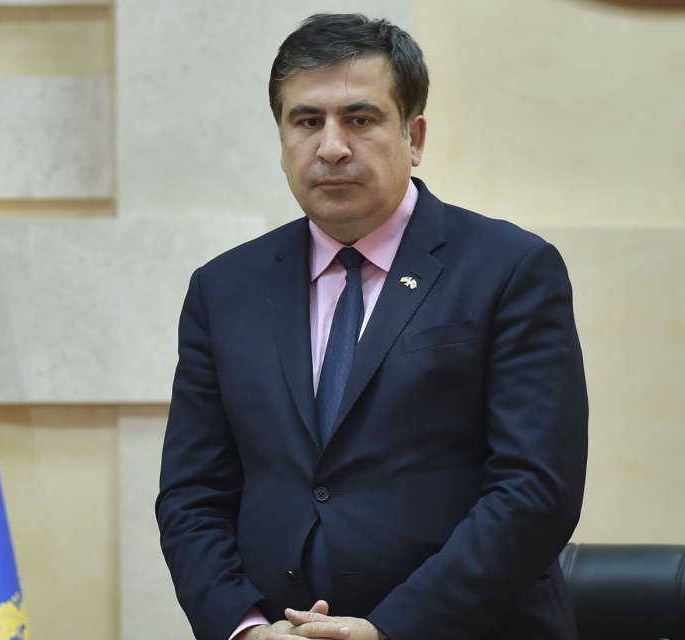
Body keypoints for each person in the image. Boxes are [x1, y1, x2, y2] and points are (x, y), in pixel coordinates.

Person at [155, 13, 588, 640]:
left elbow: (535, 491)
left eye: (359, 119)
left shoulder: (510, 270)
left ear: (414, 137)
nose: (331, 147)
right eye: (307, 122)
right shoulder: (223, 289)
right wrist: (245, 627)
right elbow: (192, 495)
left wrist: (392, 629)